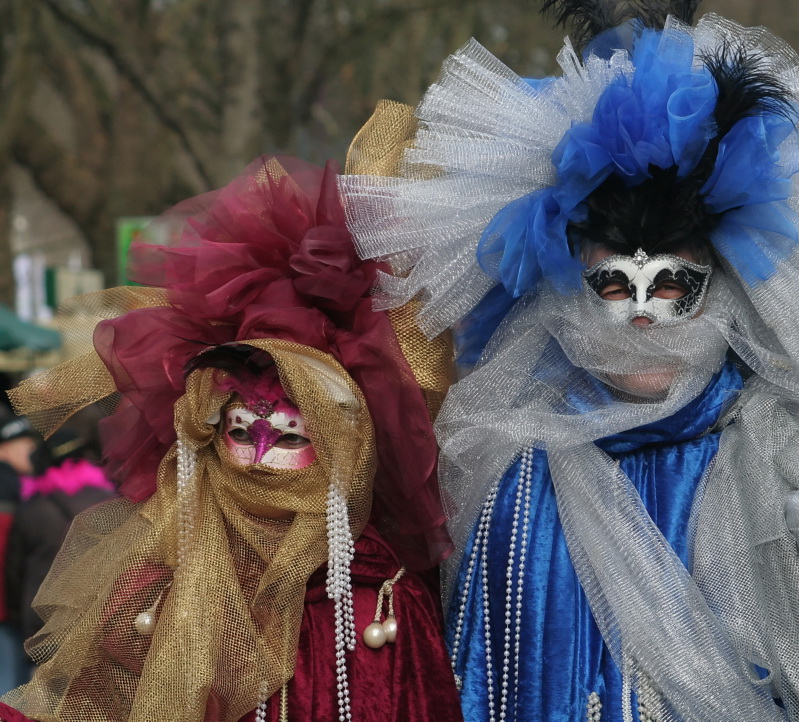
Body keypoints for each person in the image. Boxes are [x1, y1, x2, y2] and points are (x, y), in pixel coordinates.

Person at [340, 1, 799, 719]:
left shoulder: (788, 453)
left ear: (718, 287)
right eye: (615, 284)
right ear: (572, 288)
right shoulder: (515, 464)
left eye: (675, 285)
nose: (644, 313)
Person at [0, 156, 461, 722]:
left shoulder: (380, 597)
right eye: (241, 430)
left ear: (345, 450)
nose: (258, 458)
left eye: (289, 437)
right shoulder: (155, 578)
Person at [4, 426, 117, 647]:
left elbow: (14, 573)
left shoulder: (32, 509)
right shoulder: (109, 500)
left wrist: (19, 619)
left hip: (45, 623)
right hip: (99, 618)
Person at [0, 417, 38, 696]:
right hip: (7, 608)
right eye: (23, 445)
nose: (31, 450)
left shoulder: (22, 486)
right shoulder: (9, 489)